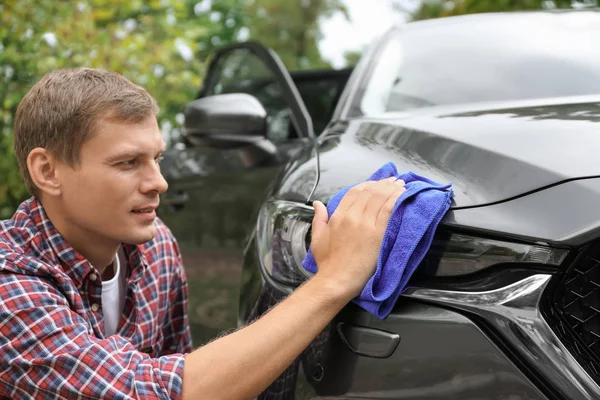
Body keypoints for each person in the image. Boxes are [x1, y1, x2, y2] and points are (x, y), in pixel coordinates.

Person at [0, 68, 406, 399]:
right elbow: (150, 391)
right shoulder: (8, 283)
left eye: (156, 158)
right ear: (47, 172)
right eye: (127, 163)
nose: (158, 182)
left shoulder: (157, 247)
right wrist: (334, 281)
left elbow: (178, 361)